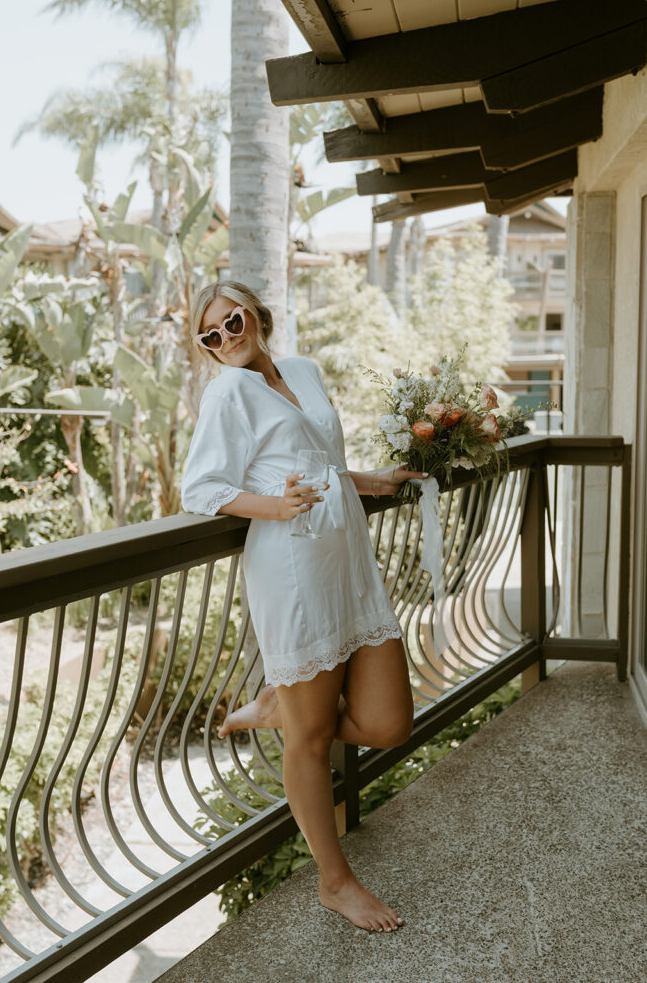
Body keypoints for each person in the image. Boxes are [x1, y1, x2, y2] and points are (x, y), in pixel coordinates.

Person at [181, 281, 423, 933]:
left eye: (232, 321)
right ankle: (334, 882)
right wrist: (272, 506)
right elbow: (200, 485)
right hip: (291, 568)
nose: (226, 338)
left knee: (389, 723)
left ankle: (275, 706)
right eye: (210, 335)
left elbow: (322, 459)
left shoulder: (302, 371)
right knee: (311, 739)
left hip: (347, 563)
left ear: (255, 316)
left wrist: (374, 480)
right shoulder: (228, 391)